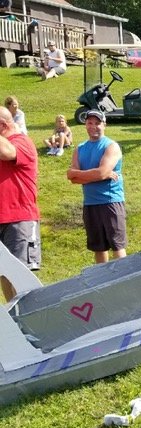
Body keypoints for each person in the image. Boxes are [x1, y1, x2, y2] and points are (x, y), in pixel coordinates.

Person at [66, 110, 126, 264]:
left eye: (97, 123)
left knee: (117, 247)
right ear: (85, 124)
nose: (93, 126)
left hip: (110, 202)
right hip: (90, 204)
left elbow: (100, 173)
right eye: (90, 123)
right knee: (99, 248)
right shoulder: (80, 148)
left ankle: (124, 281)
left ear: (104, 124)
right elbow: (72, 178)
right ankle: (104, 283)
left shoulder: (111, 146)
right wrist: (98, 174)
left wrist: (82, 175)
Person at [0, 106, 40, 301]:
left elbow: (7, 152)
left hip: (18, 219)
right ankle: (16, 322)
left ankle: (31, 322)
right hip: (2, 218)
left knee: (22, 278)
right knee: (4, 276)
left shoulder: (22, 142)